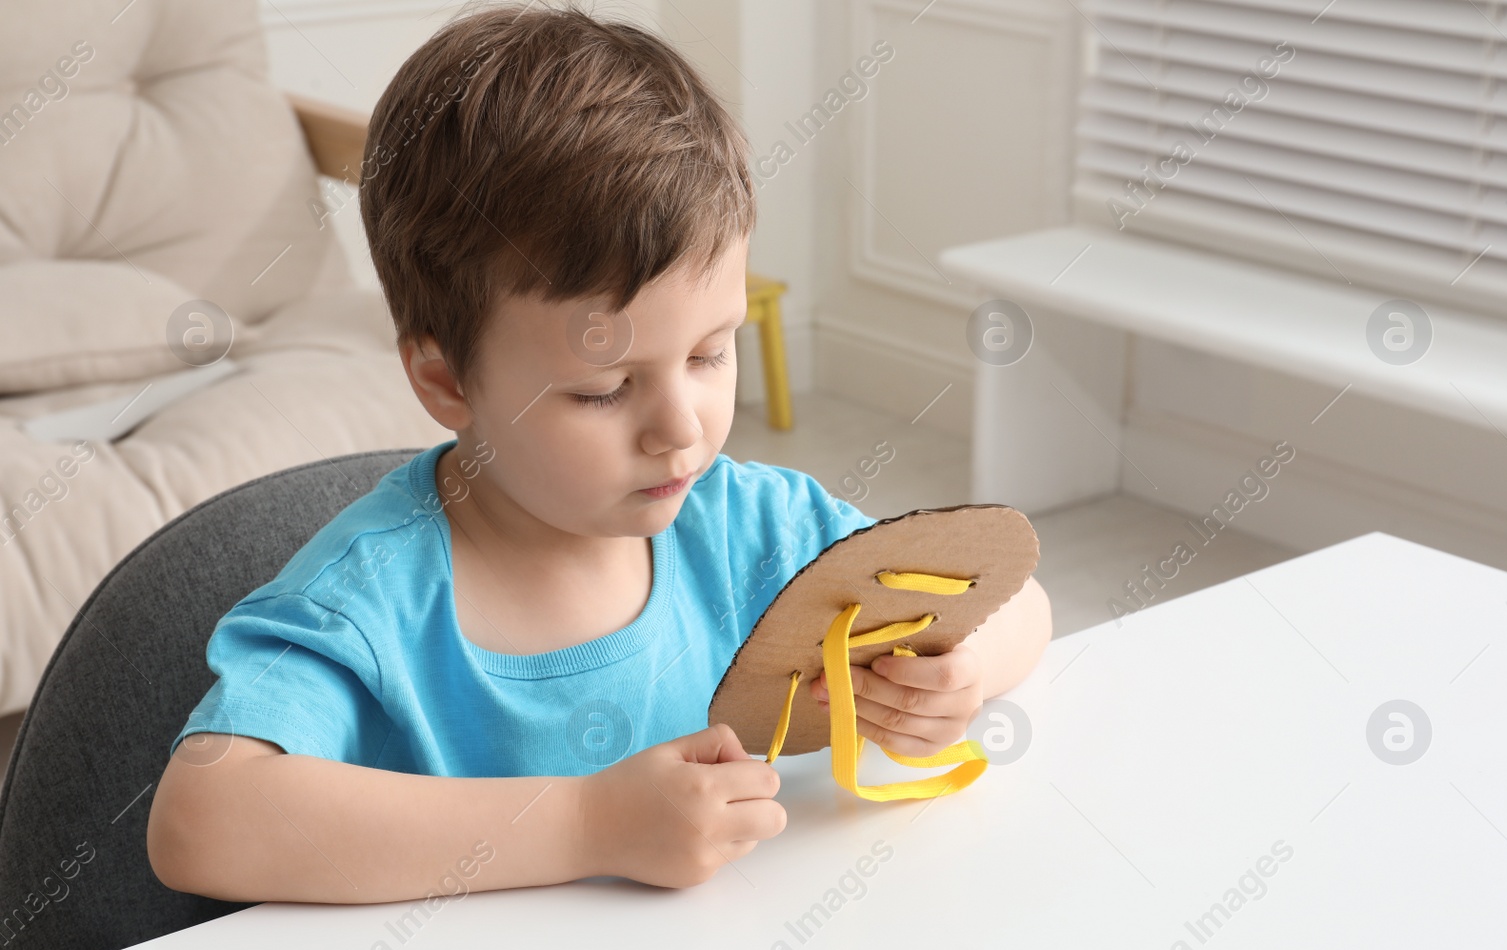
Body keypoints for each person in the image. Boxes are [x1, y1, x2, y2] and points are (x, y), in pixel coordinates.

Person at [147, 4, 1052, 903]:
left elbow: (1017, 600)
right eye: (603, 389)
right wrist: (590, 823)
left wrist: (955, 674)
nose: (681, 427)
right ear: (447, 381)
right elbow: (200, 821)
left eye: (709, 353)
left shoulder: (753, 529)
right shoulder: (372, 600)